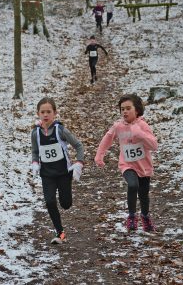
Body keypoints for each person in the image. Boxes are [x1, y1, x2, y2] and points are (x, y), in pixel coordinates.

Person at [94, 94, 158, 233]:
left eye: (128, 108)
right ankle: (131, 216)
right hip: (127, 165)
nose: (125, 112)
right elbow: (108, 138)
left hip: (144, 167)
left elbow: (154, 146)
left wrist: (140, 134)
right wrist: (99, 155)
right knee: (132, 184)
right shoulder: (118, 126)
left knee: (143, 195)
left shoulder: (143, 125)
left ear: (137, 110)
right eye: (122, 109)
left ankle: (145, 216)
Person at [31, 97, 84, 244]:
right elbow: (35, 151)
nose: (45, 115)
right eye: (43, 112)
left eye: (49, 111)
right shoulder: (35, 133)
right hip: (47, 174)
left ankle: (65, 198)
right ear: (38, 113)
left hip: (63, 173)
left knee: (66, 204)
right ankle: (60, 232)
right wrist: (35, 163)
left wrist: (79, 162)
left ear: (55, 113)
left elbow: (78, 146)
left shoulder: (60, 130)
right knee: (49, 201)